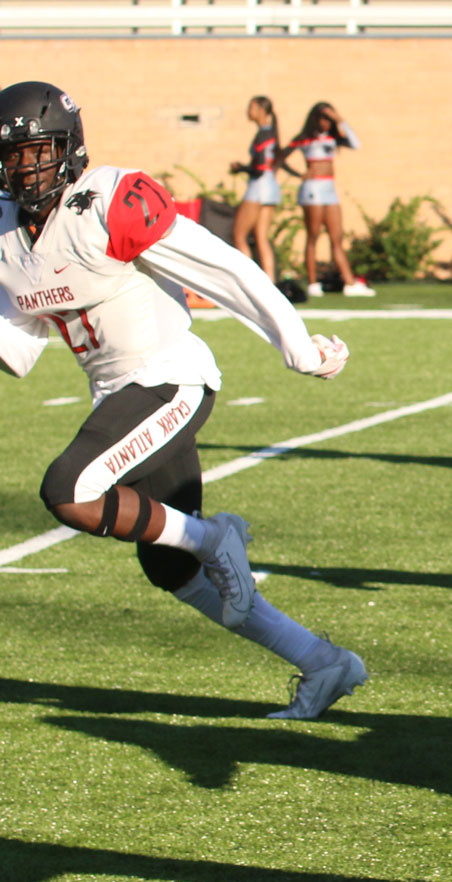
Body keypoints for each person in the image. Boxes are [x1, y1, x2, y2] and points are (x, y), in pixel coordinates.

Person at [0, 80, 365, 720]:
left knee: (69, 490)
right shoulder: (9, 233)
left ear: (68, 147)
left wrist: (297, 346)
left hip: (171, 379)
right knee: (171, 571)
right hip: (119, 396)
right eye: (11, 156)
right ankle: (322, 661)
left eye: (36, 151)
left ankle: (212, 536)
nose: (23, 168)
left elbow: (225, 268)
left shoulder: (107, 202)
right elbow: (18, 346)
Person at [286, 102, 374, 298]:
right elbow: (280, 157)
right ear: (315, 119)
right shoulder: (305, 140)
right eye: (323, 118)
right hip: (312, 190)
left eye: (329, 119)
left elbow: (356, 144)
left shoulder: (333, 139)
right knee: (313, 235)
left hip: (329, 190)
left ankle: (350, 283)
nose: (326, 122)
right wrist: (298, 174)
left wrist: (339, 119)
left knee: (337, 237)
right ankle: (312, 282)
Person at [227, 95, 289, 281]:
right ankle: (270, 282)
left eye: (252, 107)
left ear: (262, 110)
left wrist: (241, 168)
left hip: (258, 187)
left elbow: (259, 167)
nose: (249, 111)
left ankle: (250, 281)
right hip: (270, 186)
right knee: (261, 238)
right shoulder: (271, 132)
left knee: (239, 236)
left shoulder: (263, 134)